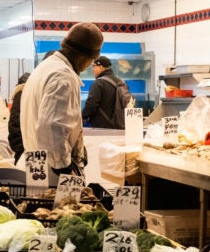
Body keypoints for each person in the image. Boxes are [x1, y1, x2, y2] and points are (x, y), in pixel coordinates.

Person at [20, 22, 103, 182]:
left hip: (36, 165)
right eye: (91, 61)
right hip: (52, 174)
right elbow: (50, 128)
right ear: (84, 58)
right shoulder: (63, 77)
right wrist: (66, 170)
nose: (88, 66)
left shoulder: (45, 67)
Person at [82, 56, 129, 128]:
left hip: (102, 127)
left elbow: (91, 104)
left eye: (94, 67)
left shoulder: (99, 83)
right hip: (119, 125)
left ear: (100, 67)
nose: (92, 70)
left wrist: (83, 116)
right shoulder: (121, 82)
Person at [7, 71, 31, 163]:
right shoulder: (22, 94)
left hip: (26, 151)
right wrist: (21, 150)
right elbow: (14, 125)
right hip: (26, 153)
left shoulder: (22, 94)